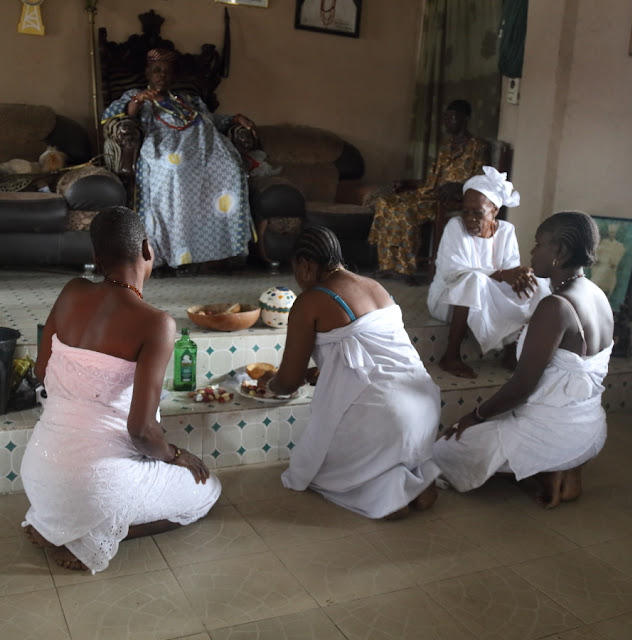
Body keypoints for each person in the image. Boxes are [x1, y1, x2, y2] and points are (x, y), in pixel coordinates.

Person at [20, 206, 220, 573]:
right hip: (93, 486)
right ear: (147, 249)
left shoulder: (71, 291)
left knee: (94, 477)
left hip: (38, 470)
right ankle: (95, 534)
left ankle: (53, 523)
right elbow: (142, 432)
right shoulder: (156, 323)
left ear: (96, 258)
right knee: (206, 492)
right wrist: (176, 454)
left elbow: (41, 370)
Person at [256, 226, 442, 519]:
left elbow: (288, 381)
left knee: (315, 468)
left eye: (295, 270)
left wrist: (270, 384)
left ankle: (390, 497)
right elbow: (369, 356)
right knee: (386, 440)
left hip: (389, 415)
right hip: (425, 406)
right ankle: (416, 481)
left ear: (305, 266)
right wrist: (319, 374)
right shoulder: (375, 287)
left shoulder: (310, 300)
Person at [433, 212, 614, 509]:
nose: (532, 252)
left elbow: (522, 387)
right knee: (499, 428)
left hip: (552, 433)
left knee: (445, 449)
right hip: (591, 429)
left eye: (538, 243)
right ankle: (561, 467)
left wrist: (474, 416)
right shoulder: (597, 294)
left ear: (560, 252)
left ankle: (548, 468)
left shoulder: (555, 306)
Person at [102, 48, 255, 273]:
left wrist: (234, 118)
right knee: (175, 168)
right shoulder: (137, 94)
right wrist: (139, 99)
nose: (161, 75)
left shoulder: (186, 98)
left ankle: (225, 251)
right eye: (157, 70)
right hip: (165, 144)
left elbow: (211, 119)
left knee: (231, 169)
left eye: (166, 71)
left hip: (205, 144)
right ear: (148, 73)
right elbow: (119, 115)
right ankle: (179, 252)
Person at [427, 166, 551, 378]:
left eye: (478, 213)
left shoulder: (506, 230)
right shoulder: (454, 226)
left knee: (539, 285)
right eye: (465, 211)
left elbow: (511, 270)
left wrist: (521, 275)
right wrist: (502, 275)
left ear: (494, 211)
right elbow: (451, 271)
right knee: (473, 280)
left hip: (488, 297)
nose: (469, 218)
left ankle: (513, 349)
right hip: (449, 301)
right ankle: (451, 355)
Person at [367, 99, 490, 284]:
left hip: (452, 198)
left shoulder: (478, 146)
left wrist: (458, 187)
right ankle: (388, 266)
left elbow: (481, 179)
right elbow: (431, 180)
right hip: (430, 193)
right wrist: (408, 183)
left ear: (465, 119)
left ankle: (404, 269)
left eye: (452, 118)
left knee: (404, 211)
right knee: (385, 203)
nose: (447, 122)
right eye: (445, 118)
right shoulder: (445, 146)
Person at [589, 223, 626, 297]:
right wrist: (597, 259)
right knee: (596, 280)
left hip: (609, 267)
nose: (612, 234)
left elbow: (618, 255)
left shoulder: (618, 245)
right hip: (600, 266)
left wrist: (614, 262)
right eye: (611, 232)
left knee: (608, 282)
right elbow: (596, 252)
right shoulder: (603, 242)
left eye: (614, 233)